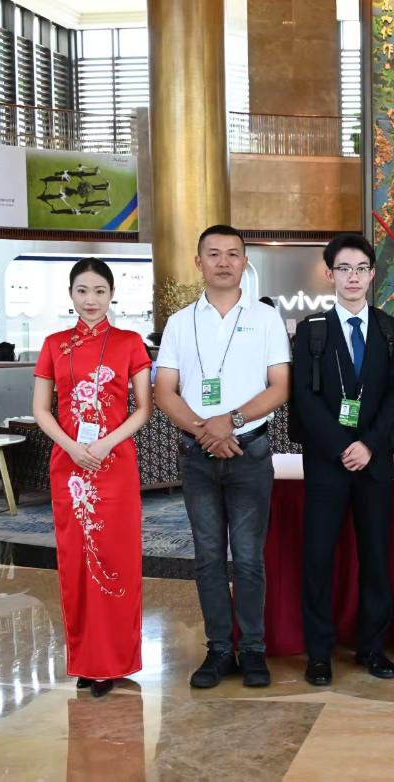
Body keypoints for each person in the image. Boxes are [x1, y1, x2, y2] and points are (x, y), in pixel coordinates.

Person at [154, 224, 291, 690]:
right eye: (213, 254)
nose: (224, 262)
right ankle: (217, 649)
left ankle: (252, 649)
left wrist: (229, 422)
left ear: (244, 263)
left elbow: (280, 386)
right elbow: (164, 391)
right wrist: (204, 431)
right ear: (199, 263)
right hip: (198, 455)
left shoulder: (266, 319)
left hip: (250, 451)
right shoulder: (180, 322)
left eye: (233, 254)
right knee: (208, 557)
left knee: (249, 558)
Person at [31, 258, 153, 698]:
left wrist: (104, 444)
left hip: (114, 464)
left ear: (112, 294)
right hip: (70, 468)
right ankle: (87, 661)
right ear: (70, 294)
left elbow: (143, 409)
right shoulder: (53, 344)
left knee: (117, 558)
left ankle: (115, 660)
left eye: (100, 291)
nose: (91, 300)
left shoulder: (130, 343)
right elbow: (41, 409)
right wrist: (70, 446)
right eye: (82, 291)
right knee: (77, 562)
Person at [292, 234, 394, 687]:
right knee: (318, 559)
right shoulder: (312, 330)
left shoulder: (391, 331)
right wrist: (342, 445)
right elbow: (303, 397)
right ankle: (319, 653)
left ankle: (372, 647)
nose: (353, 277)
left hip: (374, 462)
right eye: (344, 268)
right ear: (329, 274)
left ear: (372, 274)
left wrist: (369, 445)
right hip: (326, 462)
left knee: (376, 556)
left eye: (361, 268)